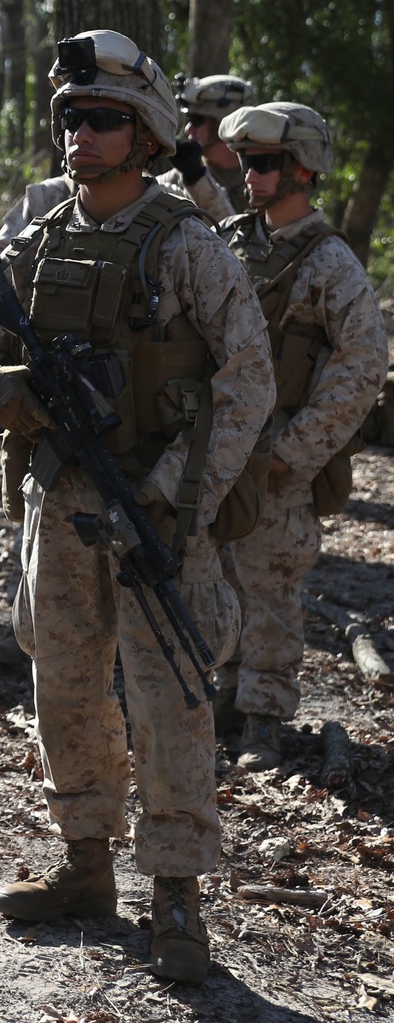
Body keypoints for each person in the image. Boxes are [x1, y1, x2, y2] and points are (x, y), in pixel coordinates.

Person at [0, 29, 275, 984]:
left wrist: (175, 496)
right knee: (67, 685)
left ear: (145, 135)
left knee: (173, 693)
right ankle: (87, 864)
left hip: (158, 510)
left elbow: (247, 382)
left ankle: (175, 888)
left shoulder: (187, 247)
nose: (80, 135)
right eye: (70, 118)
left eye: (102, 120)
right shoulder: (32, 240)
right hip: (59, 499)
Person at [216, 102, 388, 770]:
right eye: (245, 163)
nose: (248, 175)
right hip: (222, 446)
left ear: (304, 171)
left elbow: (360, 369)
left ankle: (263, 717)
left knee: (272, 584)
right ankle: (227, 692)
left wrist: (292, 456)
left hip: (279, 456)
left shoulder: (332, 266)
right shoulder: (231, 242)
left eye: (263, 164)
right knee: (220, 580)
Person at [167, 74, 254, 220]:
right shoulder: (177, 179)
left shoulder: (261, 180)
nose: (188, 129)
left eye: (196, 120)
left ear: (224, 122)